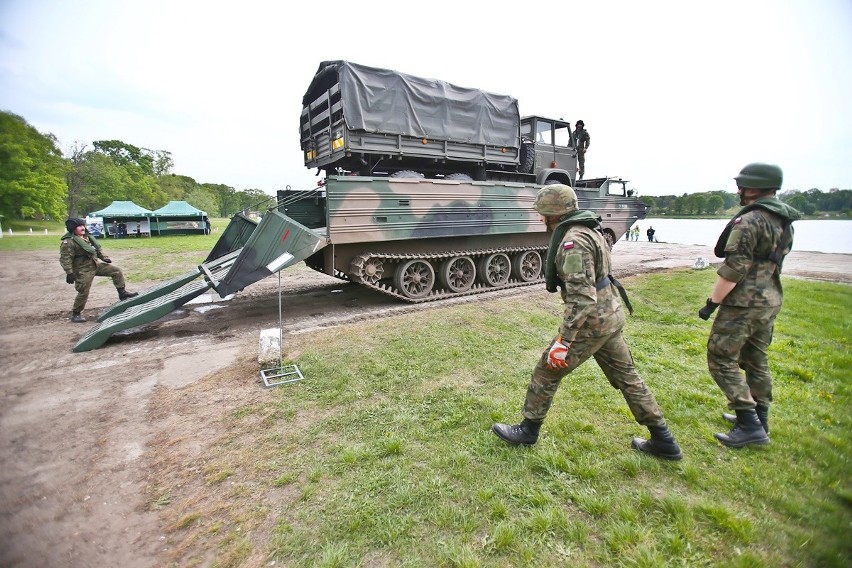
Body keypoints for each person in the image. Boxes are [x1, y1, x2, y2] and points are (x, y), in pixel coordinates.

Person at [491, 184, 682, 460]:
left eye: (542, 213)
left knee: (547, 370)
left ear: (551, 213)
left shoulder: (573, 241)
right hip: (609, 316)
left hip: (591, 323)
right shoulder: (589, 228)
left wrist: (564, 341)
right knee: (628, 378)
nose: (541, 218)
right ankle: (664, 440)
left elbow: (581, 298)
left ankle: (528, 430)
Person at [698, 163, 800, 448]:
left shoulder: (751, 220)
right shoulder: (782, 219)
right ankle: (760, 416)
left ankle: (749, 423)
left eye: (742, 185)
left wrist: (712, 302)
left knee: (720, 357)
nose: (739, 190)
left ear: (753, 187)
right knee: (756, 358)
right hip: (770, 298)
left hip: (744, 302)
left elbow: (735, 267)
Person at [59, 217, 138, 323]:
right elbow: (65, 259)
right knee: (83, 291)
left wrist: (104, 258)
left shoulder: (87, 237)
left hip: (95, 265)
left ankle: (122, 293)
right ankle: (76, 313)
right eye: (79, 226)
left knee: (116, 271)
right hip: (82, 270)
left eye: (83, 225)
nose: (82, 228)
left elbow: (97, 249)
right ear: (73, 228)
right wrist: (69, 272)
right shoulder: (69, 242)